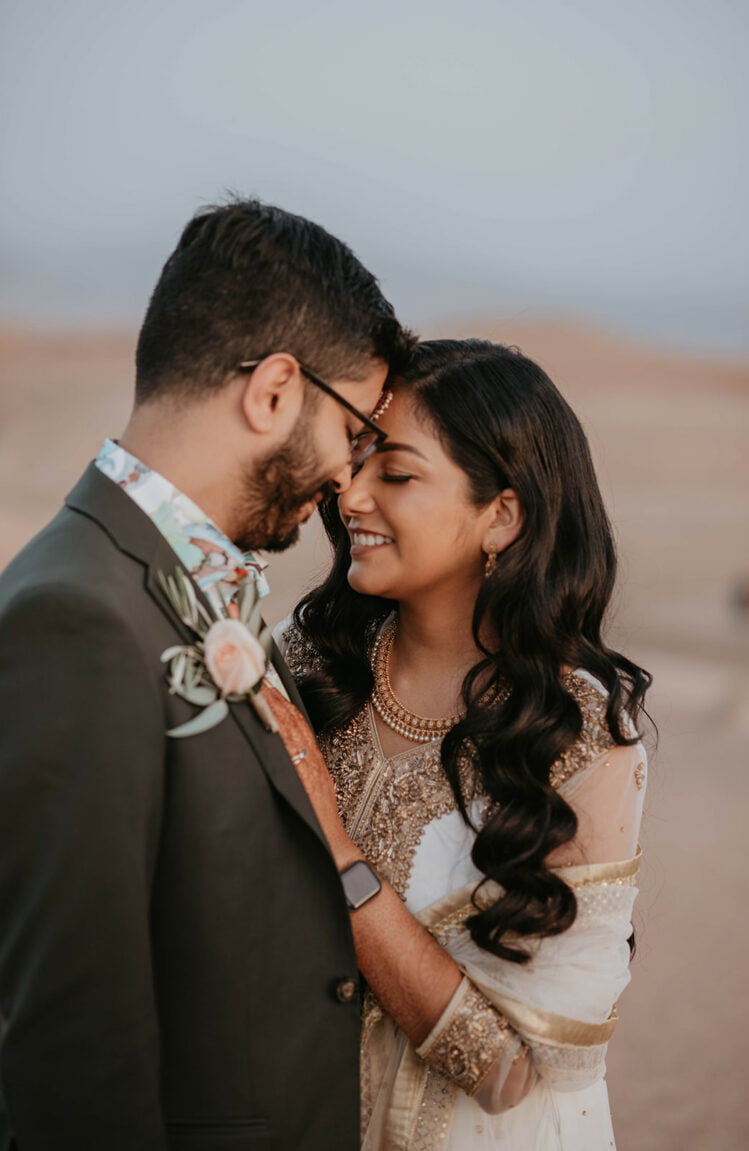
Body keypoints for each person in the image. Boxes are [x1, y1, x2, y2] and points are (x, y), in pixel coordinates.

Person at [0, 198, 414, 1150]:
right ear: (273, 391)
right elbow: (74, 1044)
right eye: (353, 433)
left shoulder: (190, 582)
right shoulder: (76, 615)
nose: (349, 485)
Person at [277, 339, 651, 1149]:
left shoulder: (580, 739)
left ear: (502, 515)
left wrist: (340, 859)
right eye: (357, 461)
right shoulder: (308, 661)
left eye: (397, 474)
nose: (351, 494)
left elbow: (513, 1072)